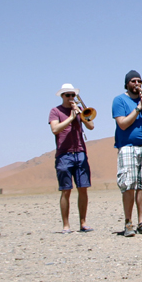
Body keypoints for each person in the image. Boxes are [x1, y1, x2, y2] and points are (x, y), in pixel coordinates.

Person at [113, 70, 142, 237]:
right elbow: (123, 124)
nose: (137, 84)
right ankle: (128, 222)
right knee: (129, 185)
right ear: (127, 84)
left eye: (139, 81)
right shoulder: (120, 100)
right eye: (133, 81)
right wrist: (139, 108)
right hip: (128, 147)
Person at [49, 84, 95, 233]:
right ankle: (66, 225)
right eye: (67, 95)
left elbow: (91, 126)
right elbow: (55, 129)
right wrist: (70, 118)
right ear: (62, 96)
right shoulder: (55, 111)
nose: (70, 98)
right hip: (64, 154)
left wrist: (80, 115)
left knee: (83, 188)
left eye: (72, 95)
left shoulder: (80, 110)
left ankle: (83, 223)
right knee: (66, 190)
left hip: (80, 152)